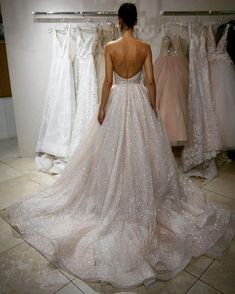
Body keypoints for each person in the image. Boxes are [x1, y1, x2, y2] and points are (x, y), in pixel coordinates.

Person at [8, 3, 234, 289]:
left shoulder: (111, 47)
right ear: (135, 21)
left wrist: (102, 108)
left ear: (118, 21)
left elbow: (106, 82)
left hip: (118, 100)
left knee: (113, 153)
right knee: (141, 152)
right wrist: (152, 109)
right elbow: (151, 82)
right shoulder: (144, 48)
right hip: (139, 101)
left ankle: (114, 192)